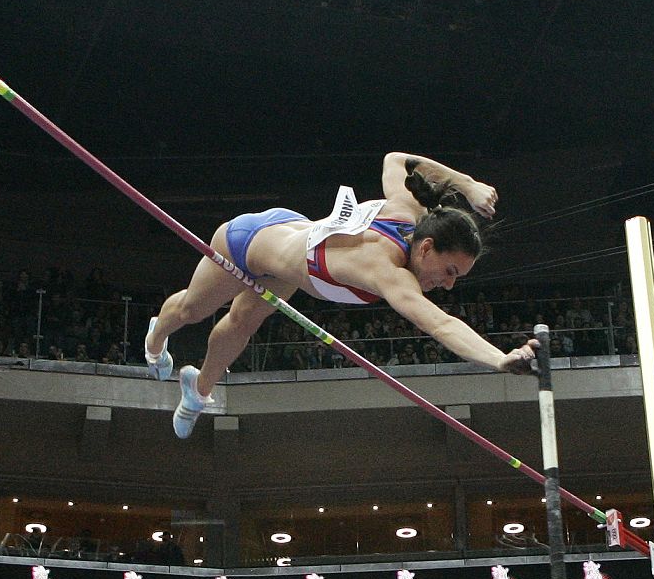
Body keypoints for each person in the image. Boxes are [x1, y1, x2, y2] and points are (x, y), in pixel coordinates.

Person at [144, 154, 535, 438]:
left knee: (243, 322)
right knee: (192, 310)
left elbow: (397, 161)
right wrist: (499, 359)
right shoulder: (386, 270)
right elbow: (440, 323)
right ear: (427, 248)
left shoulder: (410, 212)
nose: (448, 285)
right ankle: (154, 342)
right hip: (244, 243)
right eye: (450, 272)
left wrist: (466, 186)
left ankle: (198, 393)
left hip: (287, 243)